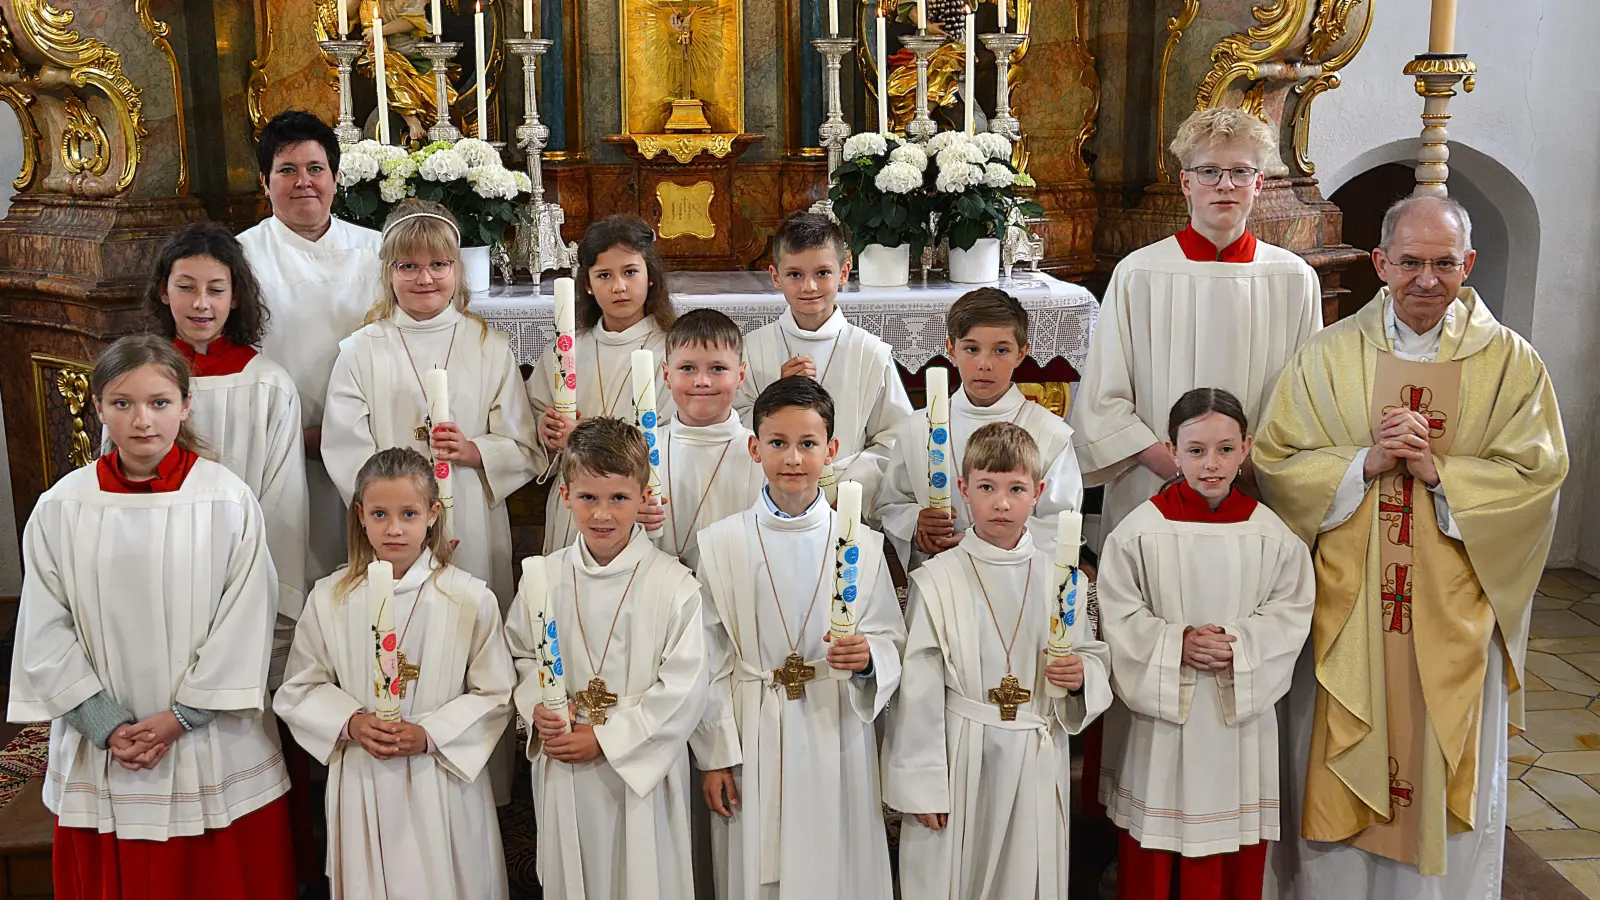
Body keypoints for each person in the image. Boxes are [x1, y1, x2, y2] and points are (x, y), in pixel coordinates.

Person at [1254, 195, 1569, 899]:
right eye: (1410, 263)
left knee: (1436, 765)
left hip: (1449, 609)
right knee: (1337, 758)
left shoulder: (1512, 363)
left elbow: (1539, 476)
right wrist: (1360, 465)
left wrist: (1441, 473)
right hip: (1352, 607)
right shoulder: (1329, 355)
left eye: (1444, 263)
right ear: (1380, 264)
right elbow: (1277, 460)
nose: (1426, 280)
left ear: (1470, 265)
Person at [9, 335, 293, 898]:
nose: (142, 420)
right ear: (97, 407)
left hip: (208, 743)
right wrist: (105, 723)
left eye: (160, 402)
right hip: (104, 746)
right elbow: (45, 627)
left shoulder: (225, 499)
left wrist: (181, 718)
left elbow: (247, 618)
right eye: (123, 403)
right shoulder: (62, 506)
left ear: (186, 406)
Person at [1069, 106, 1322, 552]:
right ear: (1186, 182)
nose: (1225, 185)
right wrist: (1180, 469)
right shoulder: (1140, 273)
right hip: (1155, 484)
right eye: (1209, 171)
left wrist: (1240, 469)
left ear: (1259, 184)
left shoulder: (1293, 279)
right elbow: (1104, 400)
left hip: (1256, 490)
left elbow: (1306, 404)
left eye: (1241, 172)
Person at [693, 376, 907, 900]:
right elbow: (708, 658)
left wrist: (868, 659)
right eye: (778, 443)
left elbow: (889, 638)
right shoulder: (721, 544)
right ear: (754, 446)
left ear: (831, 450)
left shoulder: (864, 546)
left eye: (809, 444)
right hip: (752, 729)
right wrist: (716, 753)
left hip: (834, 722)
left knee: (838, 865)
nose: (793, 458)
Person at [1098, 389, 1314, 900]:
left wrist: (1238, 642)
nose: (1210, 464)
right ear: (1171, 451)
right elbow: (1118, 613)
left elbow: (1291, 613)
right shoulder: (1139, 532)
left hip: (1235, 722)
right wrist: (1176, 643)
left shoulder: (1272, 535)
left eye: (1224, 449)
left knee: (1229, 852)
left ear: (1247, 449)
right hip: (1164, 725)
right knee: (1154, 843)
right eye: (1195, 450)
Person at [884, 422, 1112, 899]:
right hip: (959, 755)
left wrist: (1079, 678)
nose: (1001, 503)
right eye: (986, 487)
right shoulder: (938, 580)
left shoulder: (1063, 580)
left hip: (1034, 750)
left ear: (1039, 493)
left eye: (1015, 489)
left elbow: (1091, 658)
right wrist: (923, 786)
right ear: (964, 490)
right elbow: (919, 690)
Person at [275, 447, 514, 900]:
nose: (395, 528)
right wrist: (351, 722)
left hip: (440, 776)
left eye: (408, 513)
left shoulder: (468, 598)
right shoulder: (329, 598)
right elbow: (300, 687)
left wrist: (430, 734)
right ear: (360, 515)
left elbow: (496, 693)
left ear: (433, 515)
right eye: (380, 514)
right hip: (364, 772)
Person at [505, 417, 708, 900]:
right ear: (564, 496)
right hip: (564, 756)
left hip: (640, 771)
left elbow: (685, 688)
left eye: (618, 498)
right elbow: (520, 654)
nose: (602, 514)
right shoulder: (543, 578)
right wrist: (539, 708)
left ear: (642, 497)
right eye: (588, 498)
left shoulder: (673, 585)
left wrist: (606, 739)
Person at [322, 199, 542, 610]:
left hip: (469, 510)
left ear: (457, 271)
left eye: (439, 264)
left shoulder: (489, 348)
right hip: (392, 523)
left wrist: (474, 451)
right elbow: (343, 446)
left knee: (469, 619)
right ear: (388, 273)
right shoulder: (360, 351)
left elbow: (524, 445)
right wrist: (393, 506)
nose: (425, 278)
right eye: (408, 267)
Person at [144, 222, 309, 688]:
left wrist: (264, 585)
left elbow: (283, 499)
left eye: (216, 289)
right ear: (162, 292)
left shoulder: (267, 383)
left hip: (246, 574)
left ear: (235, 297)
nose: (201, 303)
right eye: (186, 287)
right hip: (163, 568)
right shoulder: (141, 382)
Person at [240, 110, 385, 583]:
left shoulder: (379, 251)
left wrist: (348, 433)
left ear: (336, 178)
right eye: (287, 171)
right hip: (281, 445)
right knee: (296, 572)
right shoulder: (240, 258)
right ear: (264, 182)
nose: (304, 182)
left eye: (315, 169)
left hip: (368, 440)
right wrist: (291, 435)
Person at [876, 287, 1082, 570]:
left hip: (1018, 580)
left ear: (1021, 353)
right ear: (951, 349)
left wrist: (983, 542)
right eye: (972, 349)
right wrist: (916, 524)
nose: (984, 364)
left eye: (1001, 350)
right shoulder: (917, 428)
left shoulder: (1050, 434)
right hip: (942, 576)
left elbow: (1060, 524)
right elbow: (893, 503)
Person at [734, 212, 913, 515]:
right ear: (775, 276)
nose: (809, 287)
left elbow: (895, 437)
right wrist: (773, 395)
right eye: (795, 275)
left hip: (846, 498)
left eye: (822, 273)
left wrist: (854, 488)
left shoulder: (869, 353)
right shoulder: (752, 349)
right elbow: (734, 428)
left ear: (843, 272)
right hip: (769, 498)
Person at [528, 214, 679, 553]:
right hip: (576, 503)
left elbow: (672, 435)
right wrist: (546, 428)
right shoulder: (567, 349)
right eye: (604, 275)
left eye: (630, 272)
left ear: (650, 276)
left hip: (637, 502)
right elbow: (534, 411)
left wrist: (584, 440)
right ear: (586, 284)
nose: (618, 287)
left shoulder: (671, 350)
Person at [661, 309, 766, 565]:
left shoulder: (761, 453)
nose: (702, 381)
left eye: (718, 368)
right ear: (666, 375)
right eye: (687, 368)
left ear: (741, 375)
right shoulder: (642, 448)